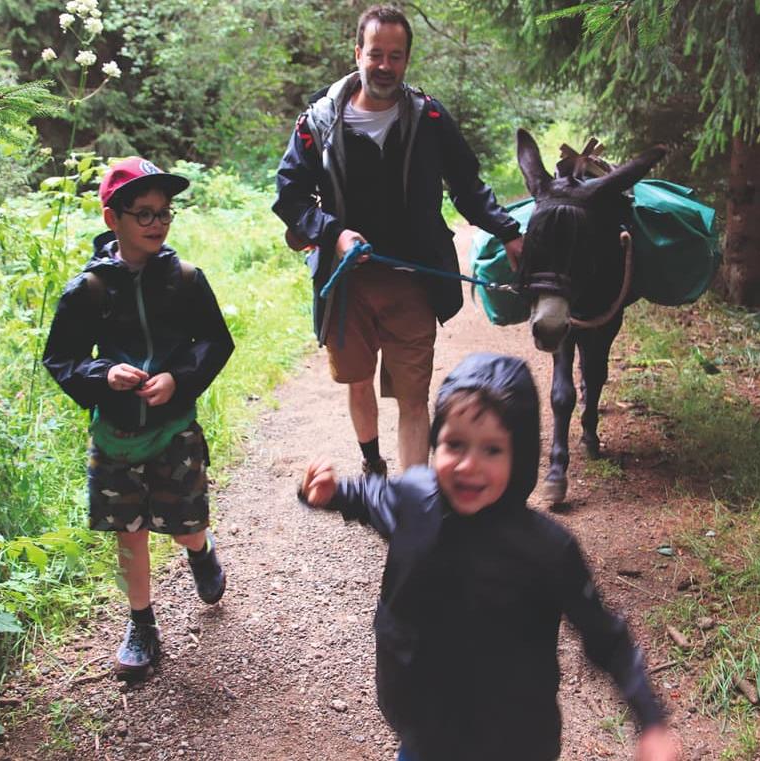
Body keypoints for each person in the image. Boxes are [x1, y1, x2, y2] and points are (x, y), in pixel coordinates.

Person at [299, 353, 680, 761]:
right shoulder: (415, 501)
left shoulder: (548, 549)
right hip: (425, 731)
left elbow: (606, 638)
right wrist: (333, 494)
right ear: (435, 442)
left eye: (492, 449)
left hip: (515, 740)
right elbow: (373, 495)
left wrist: (650, 718)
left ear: (519, 457)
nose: (468, 465)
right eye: (455, 444)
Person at [273, 4, 524, 477]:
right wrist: (333, 233)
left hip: (414, 282)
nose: (384, 66)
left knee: (413, 395)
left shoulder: (428, 118)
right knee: (357, 378)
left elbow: (467, 185)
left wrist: (508, 231)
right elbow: (289, 197)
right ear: (358, 53)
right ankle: (372, 463)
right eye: (376, 54)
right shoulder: (320, 122)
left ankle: (413, 498)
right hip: (347, 281)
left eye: (395, 56)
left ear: (406, 60)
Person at [44, 157, 234, 676]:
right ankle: (142, 624)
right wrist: (103, 376)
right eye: (143, 213)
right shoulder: (89, 290)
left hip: (175, 429)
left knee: (185, 524)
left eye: (164, 213)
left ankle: (200, 551)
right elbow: (61, 359)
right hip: (115, 433)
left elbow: (217, 341)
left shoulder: (187, 281)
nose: (156, 223)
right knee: (130, 530)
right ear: (113, 219)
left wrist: (179, 379)